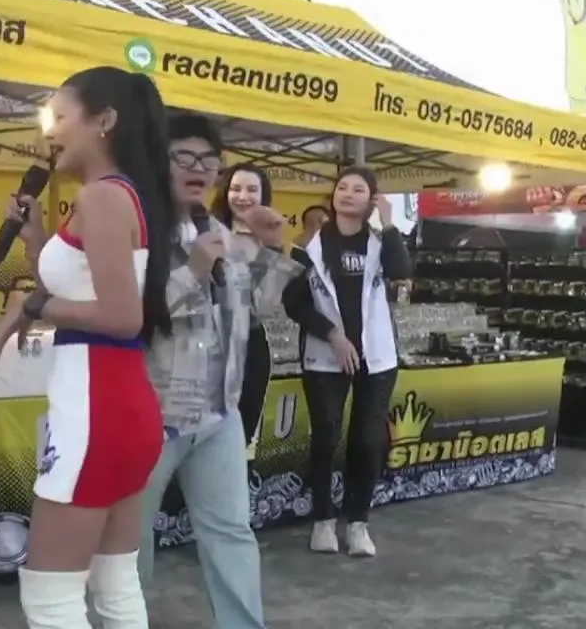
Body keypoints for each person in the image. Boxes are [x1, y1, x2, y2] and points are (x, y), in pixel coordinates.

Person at [0, 66, 175, 629]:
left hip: (97, 409)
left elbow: (122, 317)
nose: (50, 130)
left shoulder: (102, 198)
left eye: (60, 116)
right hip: (116, 405)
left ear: (104, 121)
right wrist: (36, 243)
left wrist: (36, 309)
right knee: (115, 586)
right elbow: (84, 287)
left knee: (51, 598)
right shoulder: (121, 196)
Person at [139, 111, 302, 628]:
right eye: (184, 157)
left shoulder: (220, 235)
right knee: (130, 537)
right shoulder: (139, 231)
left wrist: (270, 248)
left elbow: (257, 308)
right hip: (153, 415)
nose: (199, 169)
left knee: (231, 532)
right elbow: (136, 317)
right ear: (158, 161)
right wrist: (192, 270)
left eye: (209, 160)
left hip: (219, 411)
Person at [281, 167, 413, 557]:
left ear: (371, 199)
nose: (348, 194)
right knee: (325, 438)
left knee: (368, 441)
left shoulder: (380, 243)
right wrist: (333, 335)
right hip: (325, 356)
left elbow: (402, 273)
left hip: (377, 357)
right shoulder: (307, 247)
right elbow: (293, 303)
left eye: (359, 189)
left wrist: (389, 222)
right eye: (342, 187)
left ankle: (358, 522)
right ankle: (323, 520)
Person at [210, 159, 278, 449]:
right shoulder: (208, 233)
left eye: (252, 190)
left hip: (252, 343)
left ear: (263, 196)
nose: (243, 196)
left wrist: (272, 248)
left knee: (243, 432)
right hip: (211, 342)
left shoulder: (268, 240)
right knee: (210, 430)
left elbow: (269, 303)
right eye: (236, 188)